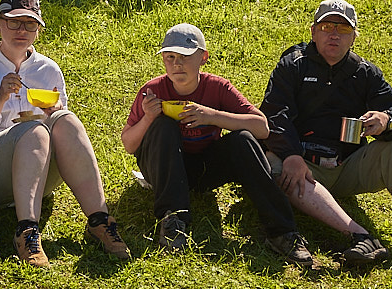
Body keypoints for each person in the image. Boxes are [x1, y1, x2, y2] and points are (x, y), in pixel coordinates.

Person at [260, 0, 392, 277]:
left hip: (348, 167)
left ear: (354, 37)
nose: (334, 34)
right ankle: (360, 236)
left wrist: (386, 121)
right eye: (326, 26)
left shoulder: (365, 73)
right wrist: (292, 155)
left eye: (343, 29)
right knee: (273, 165)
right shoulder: (293, 64)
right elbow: (275, 114)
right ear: (313, 32)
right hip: (303, 166)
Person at [0, 0, 130, 267]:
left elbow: (61, 132)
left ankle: (99, 221)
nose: (22, 30)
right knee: (35, 130)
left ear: (38, 29)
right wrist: (1, 96)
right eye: (14, 22)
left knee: (67, 120)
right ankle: (27, 230)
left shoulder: (48, 69)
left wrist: (54, 114)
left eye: (30, 24)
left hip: (39, 173)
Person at [121, 23, 313, 266]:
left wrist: (212, 116)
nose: (177, 64)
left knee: (243, 139)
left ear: (203, 58)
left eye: (185, 56)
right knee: (163, 126)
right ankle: (173, 220)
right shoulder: (153, 91)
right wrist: (149, 117)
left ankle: (282, 232)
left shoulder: (218, 87)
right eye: (170, 57)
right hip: (162, 168)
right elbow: (128, 144)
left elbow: (261, 127)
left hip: (204, 168)